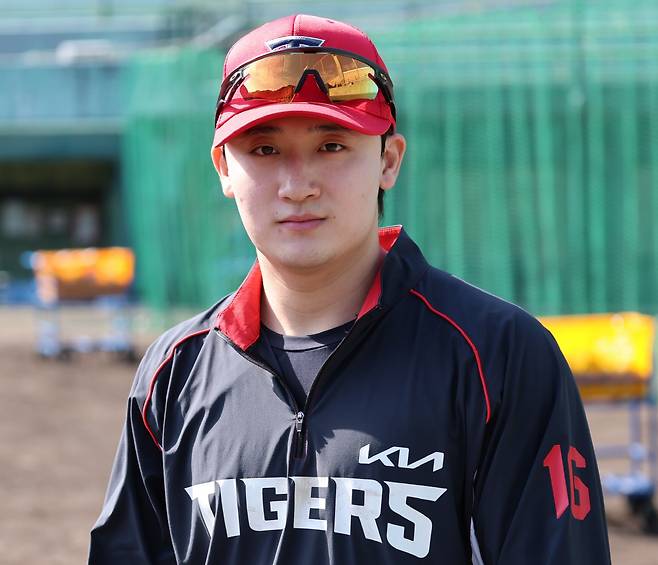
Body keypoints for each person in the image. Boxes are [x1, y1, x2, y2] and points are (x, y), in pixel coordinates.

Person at [89, 13, 611, 564]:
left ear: (388, 160)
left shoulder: (499, 356)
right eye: (264, 150)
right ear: (223, 168)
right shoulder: (173, 374)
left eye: (332, 146)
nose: (298, 185)